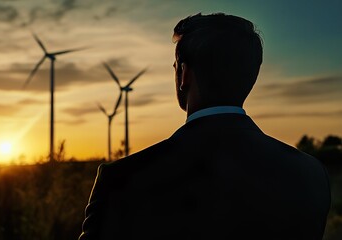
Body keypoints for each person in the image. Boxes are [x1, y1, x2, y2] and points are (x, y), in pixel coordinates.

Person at [78, 12, 331, 240]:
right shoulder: (309, 174)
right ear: (251, 76)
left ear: (184, 75)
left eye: (176, 67)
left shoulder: (123, 180)